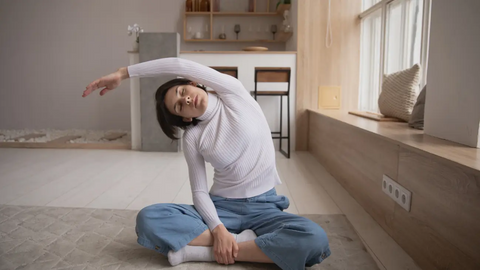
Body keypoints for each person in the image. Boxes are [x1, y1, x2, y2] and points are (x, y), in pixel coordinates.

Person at [83, 57, 331, 269]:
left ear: (192, 83)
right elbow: (199, 191)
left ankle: (204, 252)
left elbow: (177, 63)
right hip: (221, 208)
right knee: (149, 219)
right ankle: (243, 243)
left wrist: (122, 73)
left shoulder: (232, 93)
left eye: (182, 93)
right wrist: (218, 228)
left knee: (315, 239)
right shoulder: (193, 137)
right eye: (179, 107)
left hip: (264, 206)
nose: (186, 101)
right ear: (185, 118)